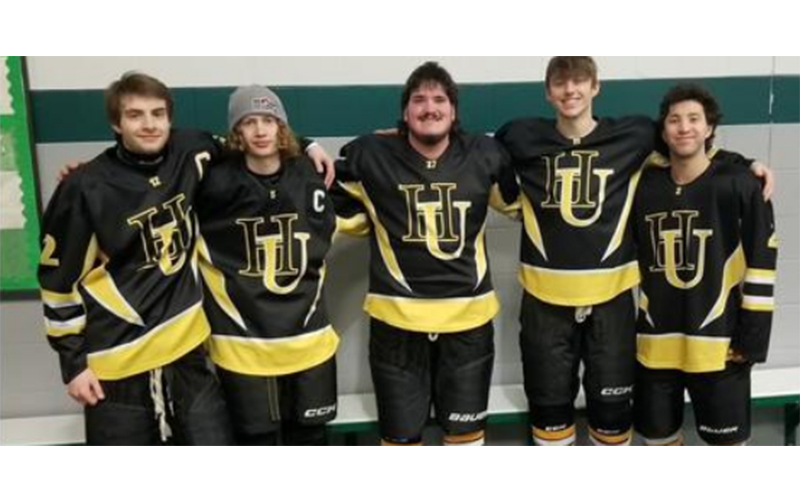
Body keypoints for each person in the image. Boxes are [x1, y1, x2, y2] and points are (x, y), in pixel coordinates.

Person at [494, 56, 774, 446]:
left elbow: (690, 148)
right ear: (547, 92)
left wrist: (745, 162)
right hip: (544, 301)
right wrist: (402, 139)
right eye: (560, 82)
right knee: (549, 413)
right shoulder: (519, 136)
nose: (570, 90)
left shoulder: (635, 135)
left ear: (596, 87)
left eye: (580, 81)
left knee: (612, 418)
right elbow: (466, 156)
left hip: (614, 301)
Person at [38, 72, 234, 445]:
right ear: (116, 122)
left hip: (188, 355)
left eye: (158, 113)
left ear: (169, 118)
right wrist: (73, 366)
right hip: (118, 366)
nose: (149, 124)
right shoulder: (83, 187)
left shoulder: (191, 149)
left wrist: (306, 147)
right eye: (135, 115)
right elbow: (57, 283)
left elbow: (252, 144)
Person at [332, 61, 518, 446]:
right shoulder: (371, 156)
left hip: (468, 322)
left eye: (439, 99)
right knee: (401, 441)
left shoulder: (484, 155)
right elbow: (321, 204)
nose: (429, 107)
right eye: (419, 99)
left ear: (453, 111)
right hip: (397, 323)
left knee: (465, 439)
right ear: (404, 112)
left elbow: (525, 206)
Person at [632, 84, 777, 446]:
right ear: (663, 130)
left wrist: (752, 340)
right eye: (675, 120)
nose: (684, 128)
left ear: (710, 128)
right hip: (655, 345)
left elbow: (762, 267)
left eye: (694, 119)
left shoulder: (741, 185)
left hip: (721, 347)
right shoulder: (644, 185)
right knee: (658, 443)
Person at [196, 85, 339, 445]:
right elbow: (160, 161)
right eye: (249, 122)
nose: (260, 131)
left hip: (308, 341)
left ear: (282, 127)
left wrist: (308, 145)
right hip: (241, 344)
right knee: (255, 441)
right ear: (236, 132)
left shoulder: (309, 173)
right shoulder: (212, 181)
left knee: (310, 440)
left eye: (268, 121)